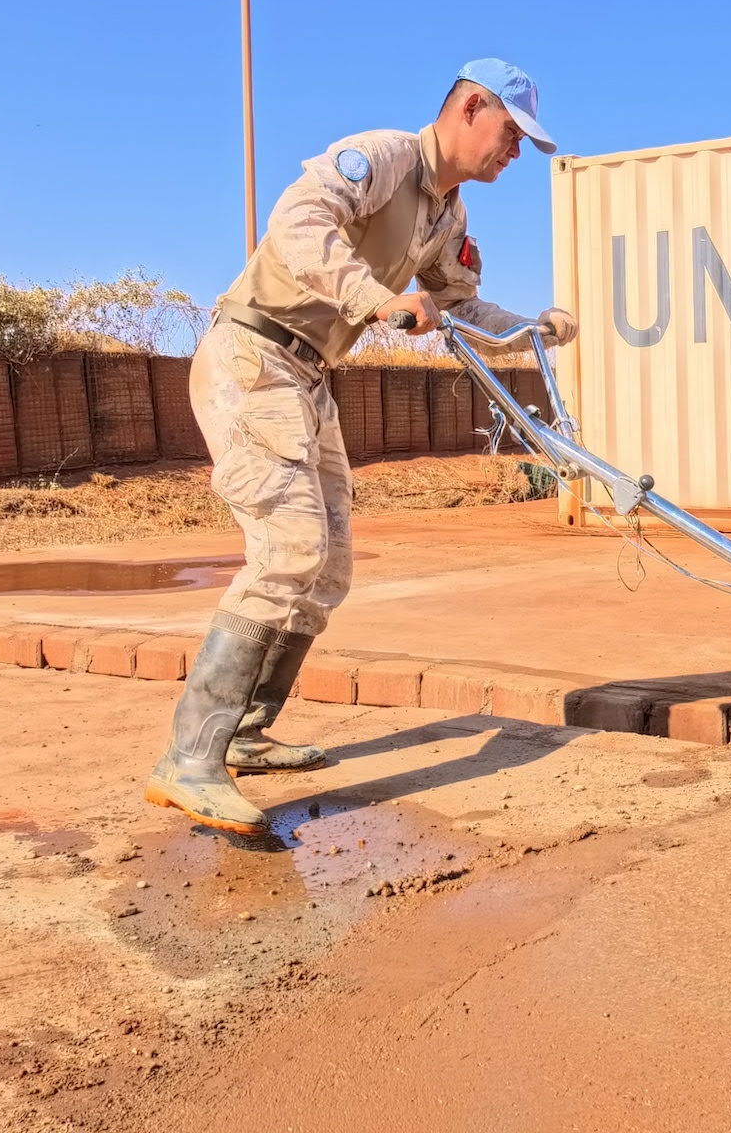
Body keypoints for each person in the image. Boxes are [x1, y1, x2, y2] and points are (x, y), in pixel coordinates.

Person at [145, 59, 579, 834]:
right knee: (287, 550)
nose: (514, 153)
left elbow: (457, 304)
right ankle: (189, 759)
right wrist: (375, 300)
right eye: (511, 134)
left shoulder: (446, 219)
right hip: (254, 357)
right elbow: (297, 224)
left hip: (307, 376)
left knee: (328, 563)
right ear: (470, 107)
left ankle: (245, 730)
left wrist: (528, 328)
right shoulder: (381, 158)